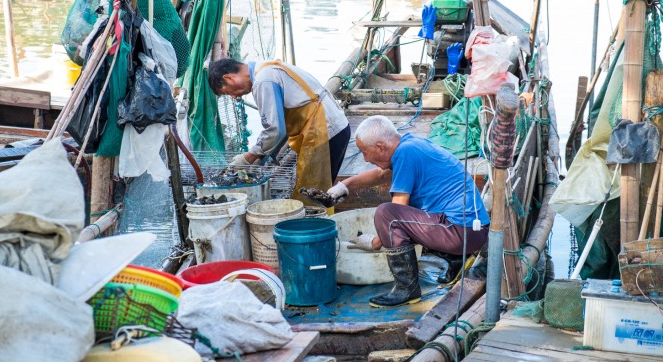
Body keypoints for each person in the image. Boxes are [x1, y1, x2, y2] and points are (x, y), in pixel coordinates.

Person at [327, 115, 489, 307]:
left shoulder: (405, 153)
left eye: (365, 152)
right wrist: (344, 186)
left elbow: (398, 209)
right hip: (472, 231)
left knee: (387, 213)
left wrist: (375, 242)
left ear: (380, 147)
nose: (365, 159)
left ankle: (407, 288)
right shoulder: (408, 144)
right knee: (408, 211)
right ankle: (454, 259)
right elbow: (381, 175)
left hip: (459, 232)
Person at [208, 58, 351, 195]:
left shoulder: (263, 81)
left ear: (229, 79)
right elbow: (280, 124)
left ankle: (321, 219)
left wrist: (247, 158)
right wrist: (266, 155)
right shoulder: (265, 67)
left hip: (326, 132)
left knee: (312, 193)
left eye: (228, 92)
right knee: (316, 189)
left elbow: (274, 130)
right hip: (333, 127)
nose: (233, 97)